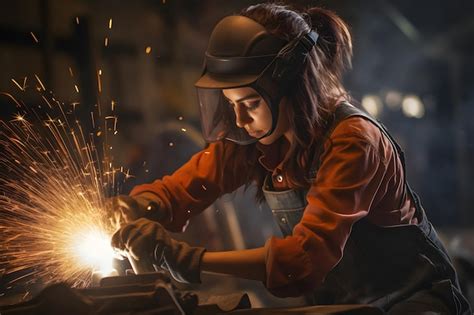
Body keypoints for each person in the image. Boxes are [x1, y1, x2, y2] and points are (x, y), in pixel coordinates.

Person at [109, 3, 472, 314]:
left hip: (412, 303)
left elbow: (304, 261)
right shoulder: (256, 139)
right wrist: (142, 205)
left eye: (250, 104)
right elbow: (188, 186)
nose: (239, 119)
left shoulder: (353, 141)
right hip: (347, 306)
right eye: (232, 104)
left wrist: (190, 260)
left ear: (293, 88)